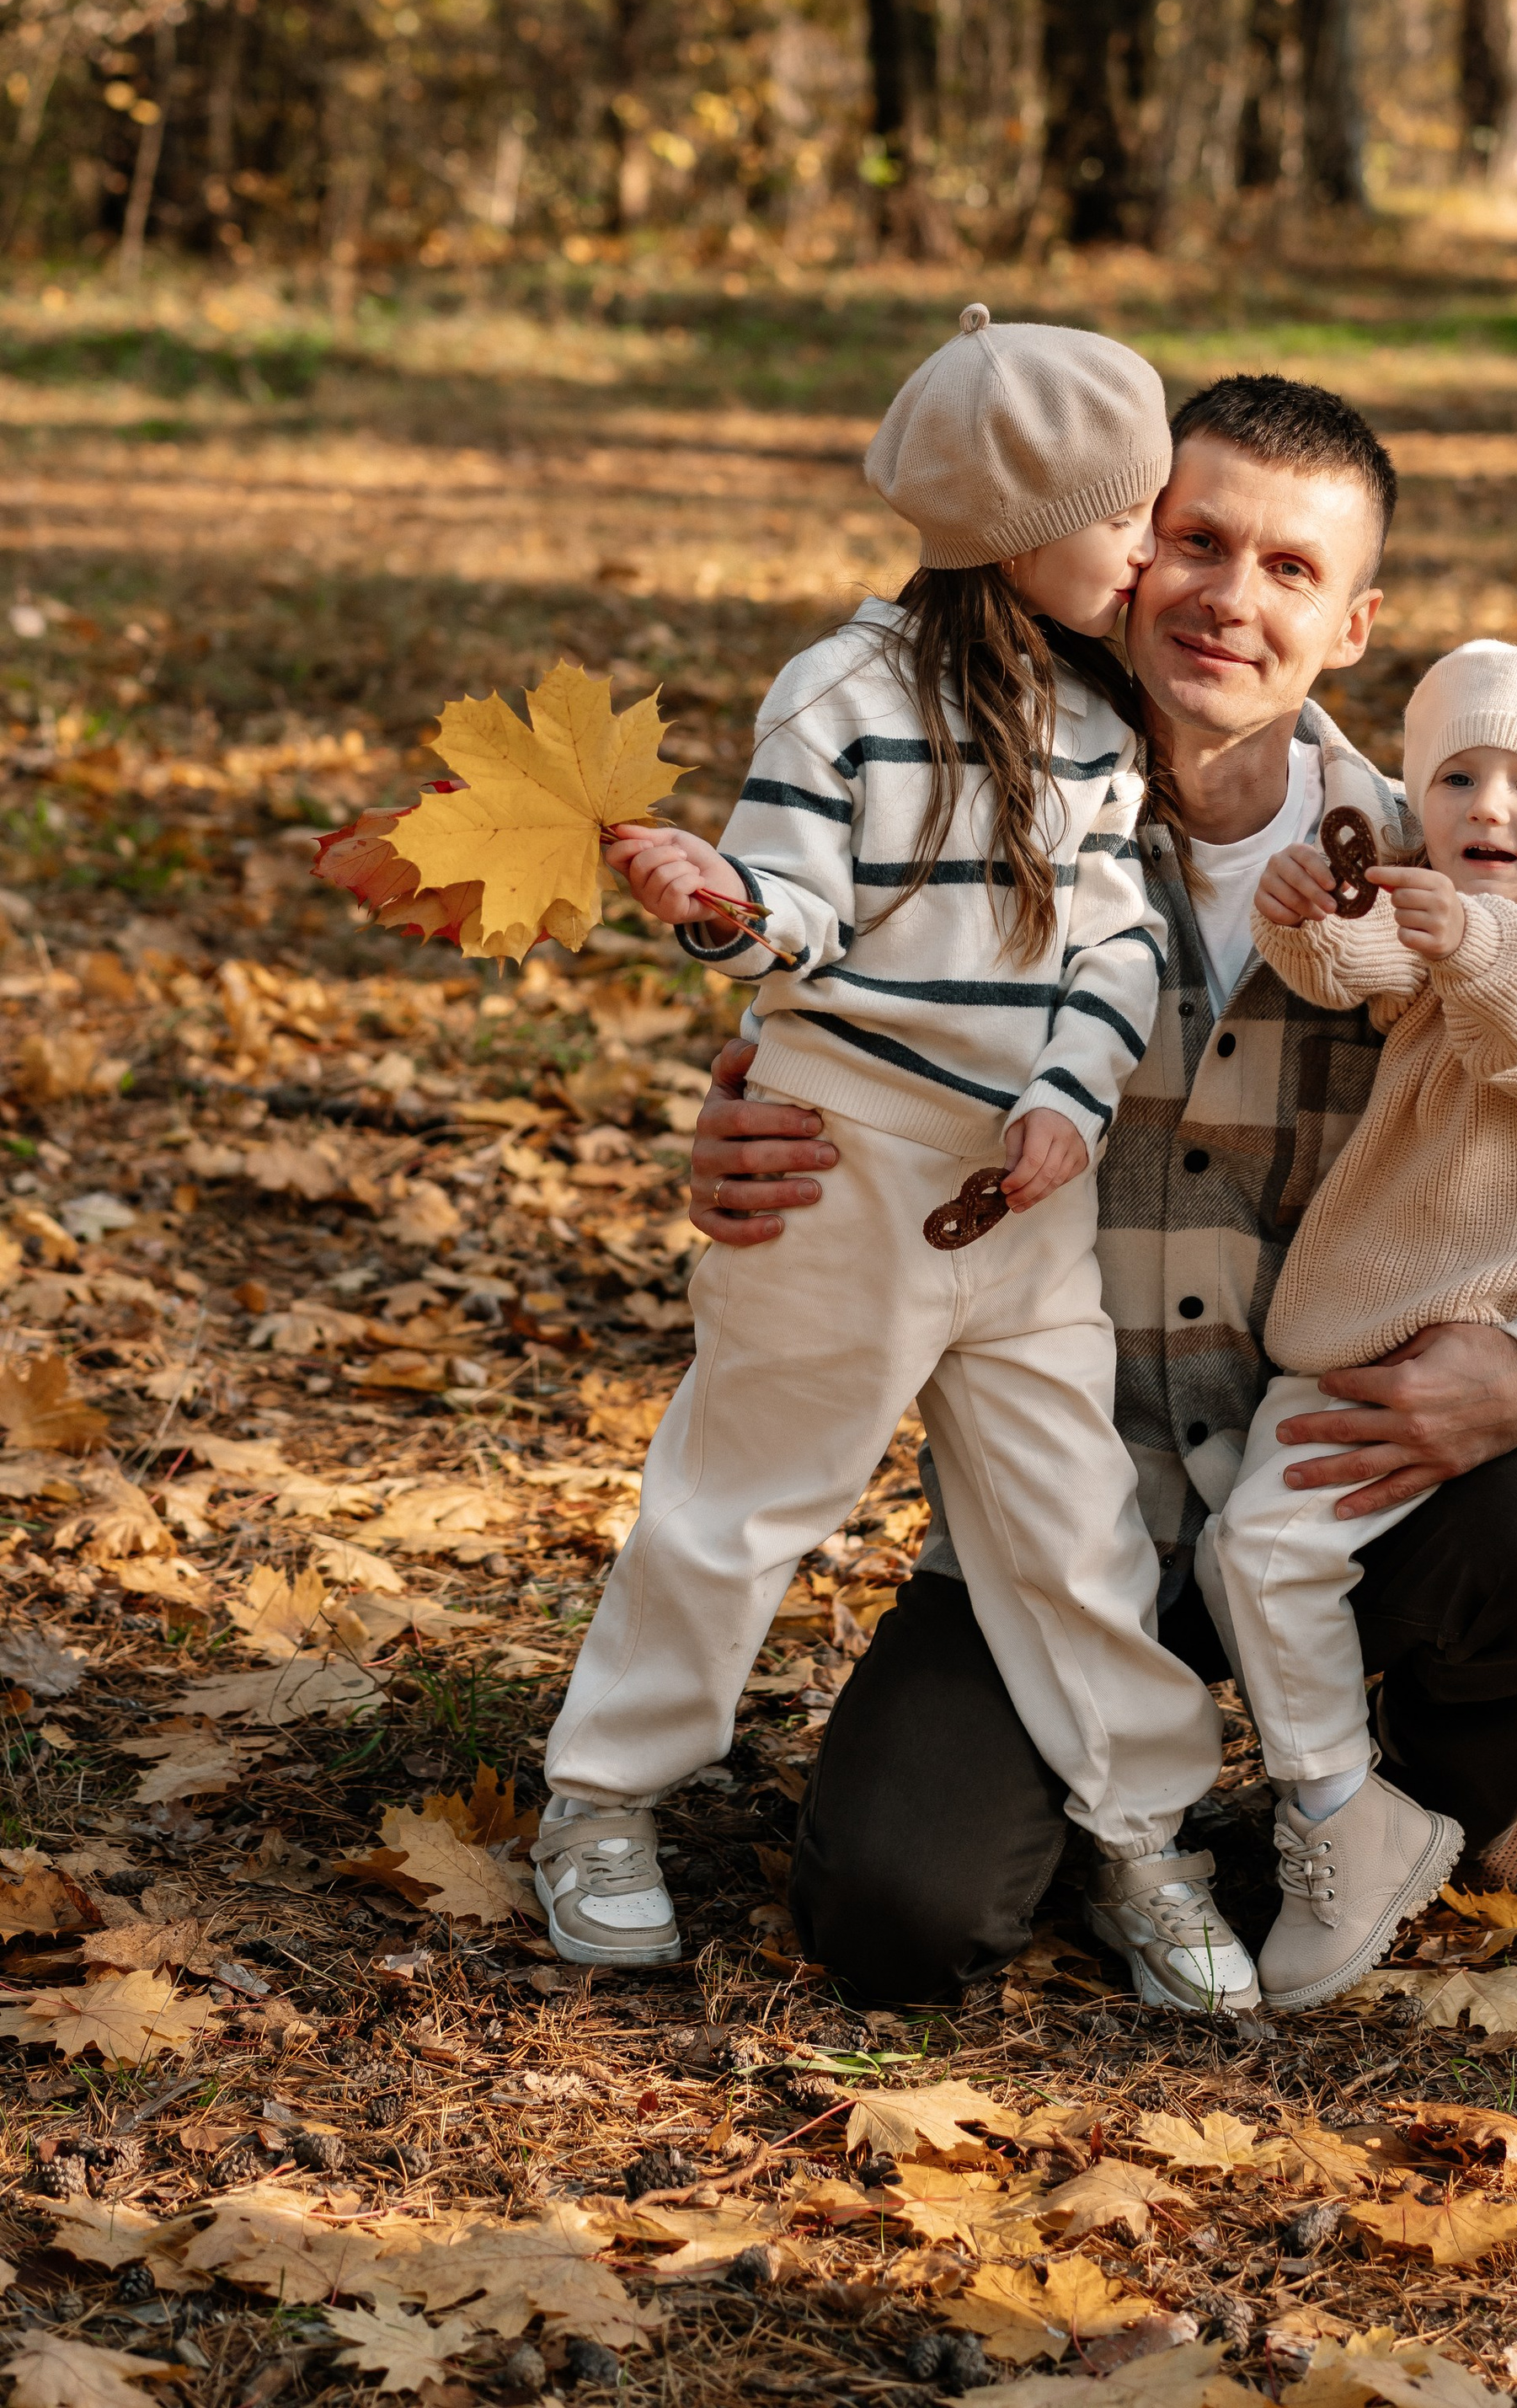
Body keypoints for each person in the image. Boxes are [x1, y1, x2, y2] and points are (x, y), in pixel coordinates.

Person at [686, 373, 1517, 2009]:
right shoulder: (977, 832)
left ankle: (1412, 1801)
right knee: (894, 1915)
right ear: (1124, 556)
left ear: (1350, 624)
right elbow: (827, 1054)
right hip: (1063, 1522)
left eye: (1288, 568)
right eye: (1196, 540)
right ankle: (1167, 1818)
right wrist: (749, 1148)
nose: (1228, 597)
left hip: (1346, 1486)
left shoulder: (1434, 864)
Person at [536, 306, 1258, 2015]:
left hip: (1024, 1190)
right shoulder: (841, 692)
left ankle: (1140, 1829)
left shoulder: (1094, 721)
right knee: (742, 1498)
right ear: (1017, 519)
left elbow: (1116, 946)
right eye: (1129, 512)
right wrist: (720, 907)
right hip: (841, 1165)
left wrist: (1071, 1100)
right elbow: (796, 911)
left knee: (1068, 1523)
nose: (1150, 546)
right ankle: (604, 1795)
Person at [1205, 638, 1517, 2009]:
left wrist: (1469, 935)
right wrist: (1303, 910)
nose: (1489, 804)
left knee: (1294, 1550)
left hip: (1478, 1345)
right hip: (1361, 1340)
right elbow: (1350, 959)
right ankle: (1343, 1807)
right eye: (1459, 774)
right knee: (1256, 1557)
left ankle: (1378, 1802)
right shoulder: (1435, 950)